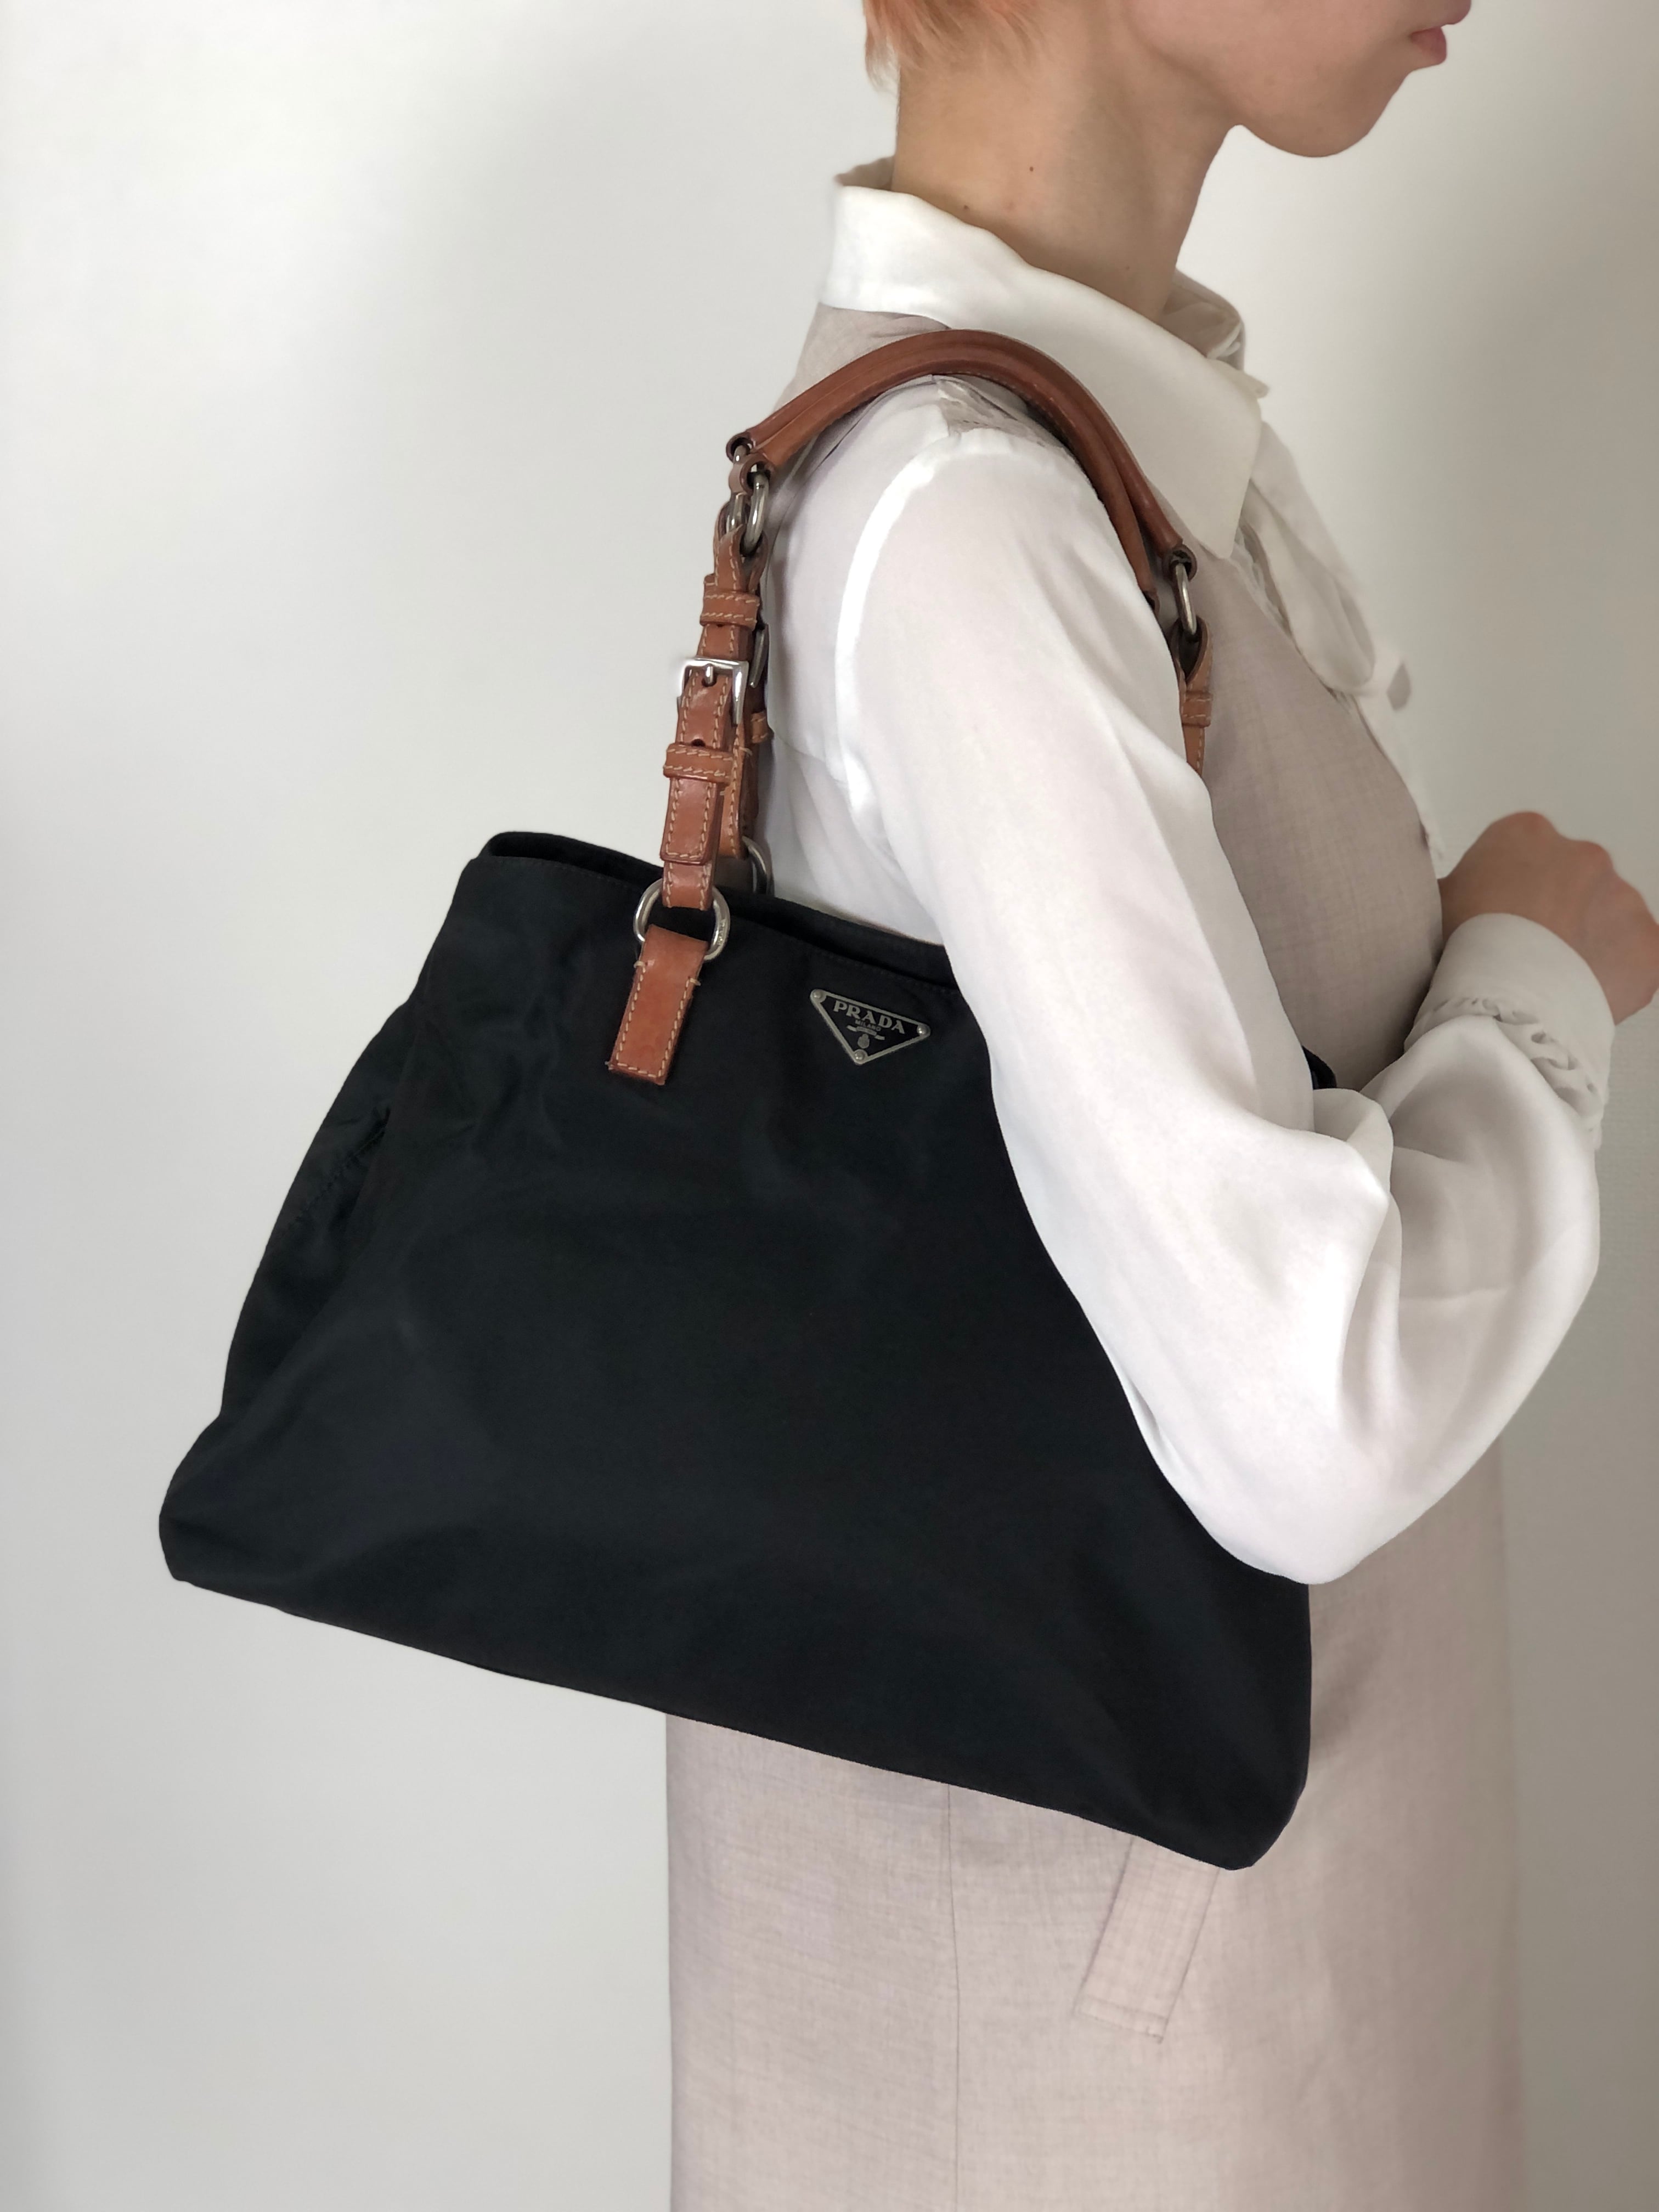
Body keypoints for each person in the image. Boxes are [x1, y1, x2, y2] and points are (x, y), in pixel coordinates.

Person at [664, 2, 1659, 2204]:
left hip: (1237, 1962)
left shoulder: (1092, 449)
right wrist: (1531, 984)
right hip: (1104, 2073)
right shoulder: (975, 520)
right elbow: (1306, 1409)